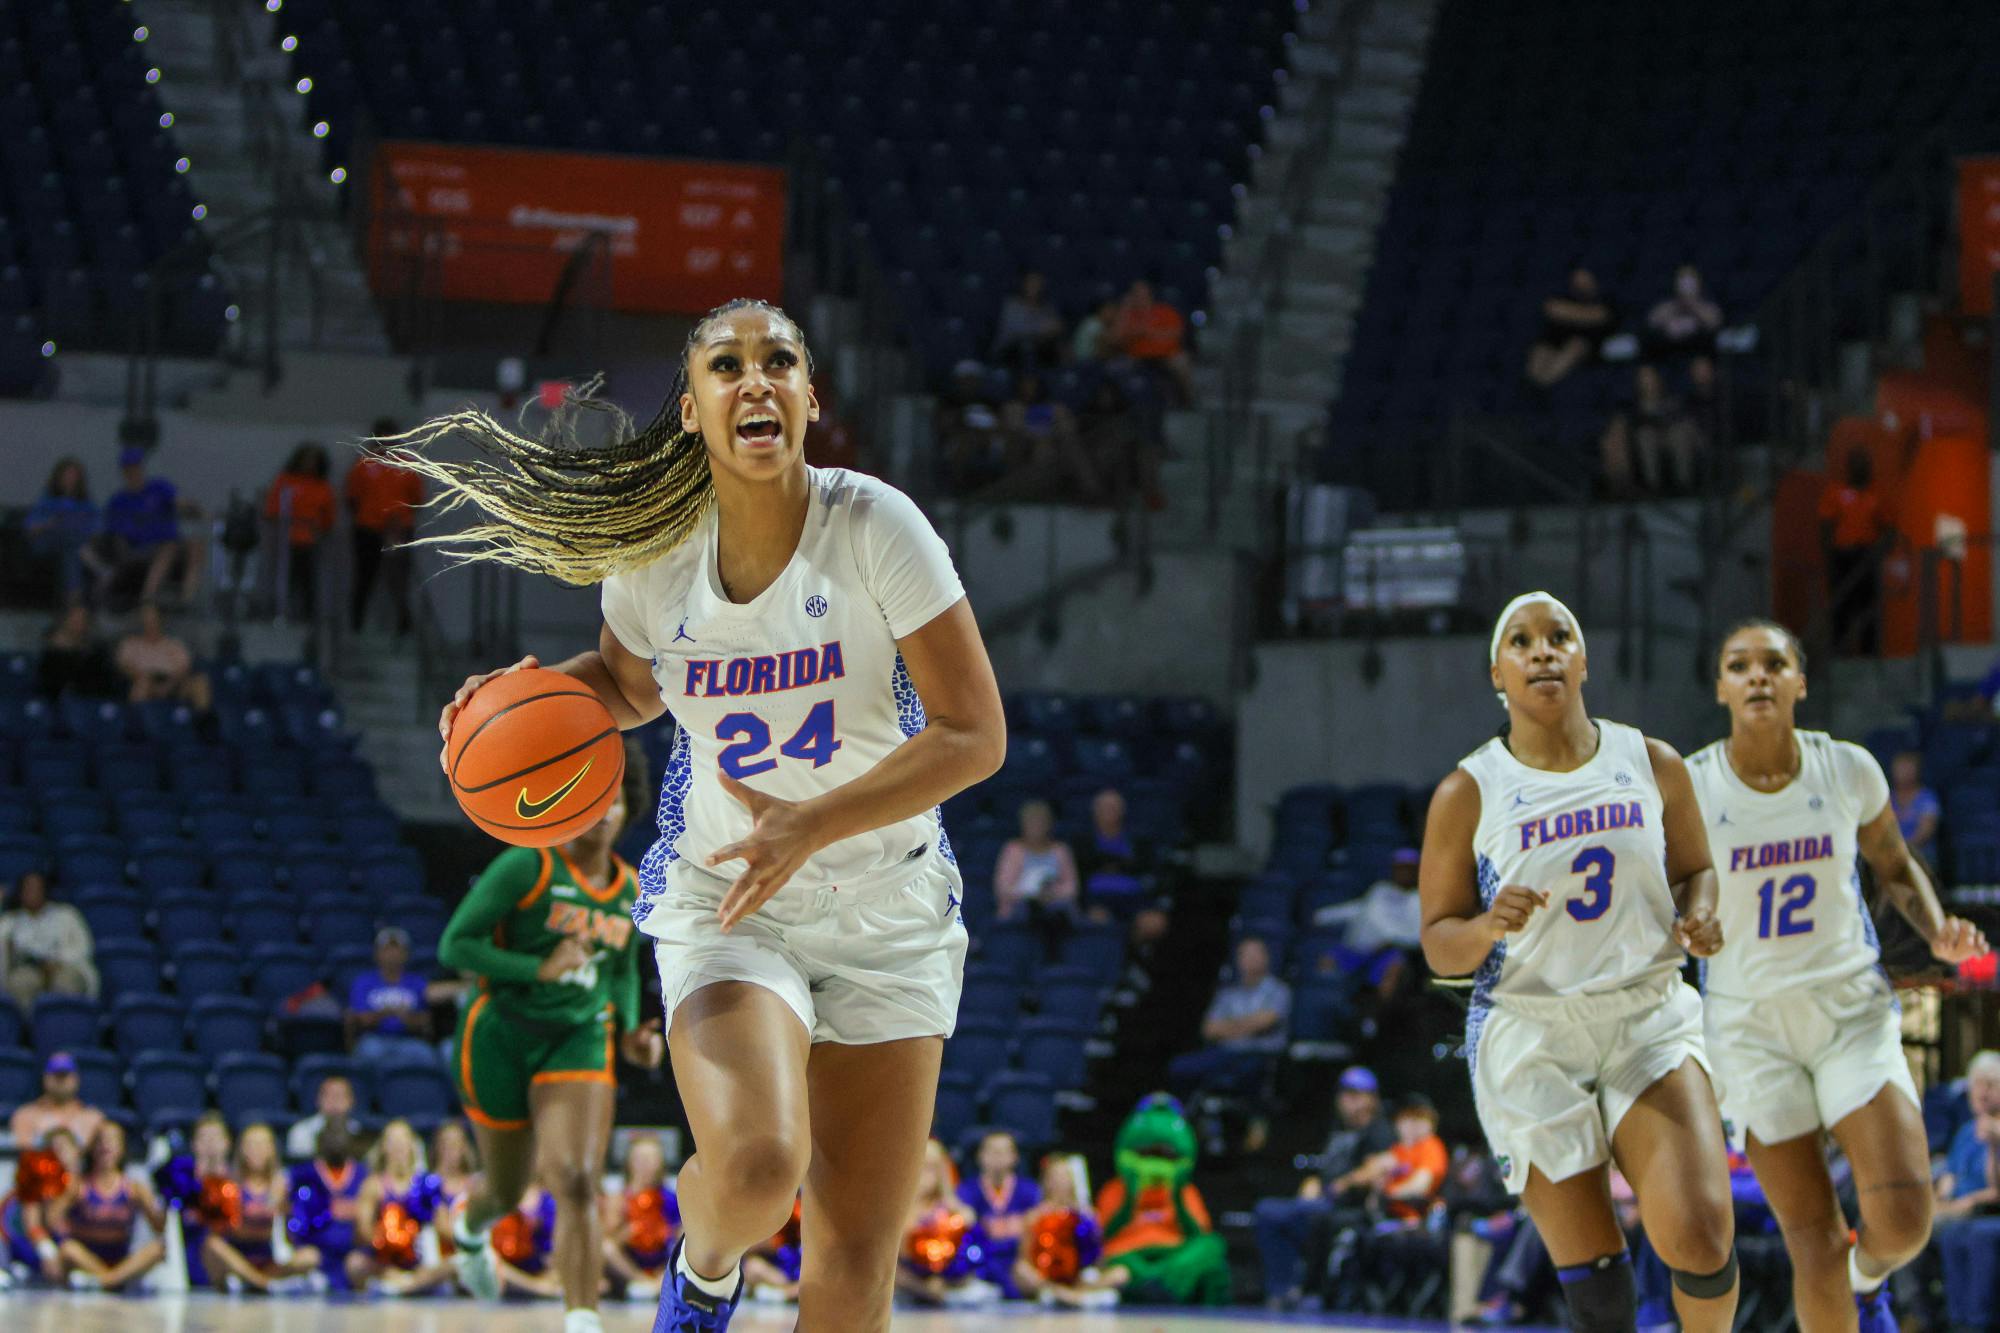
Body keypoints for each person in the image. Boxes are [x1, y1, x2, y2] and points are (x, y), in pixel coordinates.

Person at [402, 296, 1006, 1332]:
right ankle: (706, 1267)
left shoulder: (874, 524)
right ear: (692, 411)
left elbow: (971, 736)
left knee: (854, 1265)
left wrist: (812, 822)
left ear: (810, 398)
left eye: (778, 361)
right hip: (733, 900)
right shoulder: (655, 561)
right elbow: (631, 687)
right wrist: (505, 710)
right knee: (764, 1164)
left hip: (889, 907)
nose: (755, 379)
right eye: (726, 366)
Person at [1418, 591, 1740, 1333]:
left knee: (1699, 1233)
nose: (1542, 651)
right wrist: (1487, 927)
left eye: (1559, 636)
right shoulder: (1468, 791)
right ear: (1497, 673)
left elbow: (1699, 867)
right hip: (1531, 1030)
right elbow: (1438, 941)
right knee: (1600, 1295)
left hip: (1644, 1013)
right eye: (1522, 641)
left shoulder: (1649, 759)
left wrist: (1703, 911)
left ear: (1583, 659)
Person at [1688, 620, 1989, 1331]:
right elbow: (1673, 882)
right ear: (1720, 687)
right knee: (1812, 1238)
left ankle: (1867, 1279)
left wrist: (1936, 923)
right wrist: (1689, 918)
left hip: (1848, 1007)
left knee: (1907, 1216)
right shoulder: (1692, 783)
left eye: (1774, 662)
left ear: (1800, 681)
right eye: (1740, 664)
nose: (1757, 675)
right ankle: (1839, 1285)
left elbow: (1892, 861)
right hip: (1749, 1025)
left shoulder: (1847, 767)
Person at [434, 763, 662, 1331]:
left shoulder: (630, 887)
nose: (605, 815)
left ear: (627, 813)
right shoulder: (527, 864)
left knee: (578, 1177)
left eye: (615, 804)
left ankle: (582, 1318)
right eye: (594, 801)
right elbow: (455, 945)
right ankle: (470, 1228)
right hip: (501, 1035)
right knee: (508, 1191)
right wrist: (538, 967)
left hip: (578, 1038)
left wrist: (630, 1028)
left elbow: (622, 971)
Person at [1253, 1064, 1397, 1310]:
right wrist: (1314, 1182)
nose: (1348, 1101)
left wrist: (1341, 1185)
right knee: (1266, 1210)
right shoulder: (1338, 1129)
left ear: (1371, 1099)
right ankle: (1282, 1288)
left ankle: (1310, 1289)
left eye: (1356, 1095)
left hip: (1351, 1207)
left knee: (1312, 1216)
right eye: (1345, 1094)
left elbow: (1379, 1167)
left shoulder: (1379, 1130)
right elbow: (1326, 1170)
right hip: (1323, 1201)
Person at [203, 1121, 324, 1294]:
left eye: (262, 1144)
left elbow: (289, 1238)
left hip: (267, 1261)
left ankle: (256, 1282)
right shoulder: (230, 1183)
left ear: (272, 1149)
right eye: (251, 1145)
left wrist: (286, 1210)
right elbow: (227, 1231)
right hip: (236, 1259)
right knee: (212, 1245)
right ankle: (263, 1284)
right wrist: (261, 1224)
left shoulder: (281, 1184)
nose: (256, 1150)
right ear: (241, 1150)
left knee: (311, 1256)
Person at [1166, 936, 1290, 1102]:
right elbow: (1208, 1030)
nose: (1251, 959)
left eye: (1256, 954)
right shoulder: (1228, 994)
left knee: (1250, 1072)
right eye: (1246, 954)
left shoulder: (1279, 990)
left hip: (1260, 1056)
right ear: (1238, 960)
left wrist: (1228, 1027)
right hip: (1225, 1053)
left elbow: (1265, 1022)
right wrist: (1248, 1024)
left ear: (1266, 958)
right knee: (1179, 1067)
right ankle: (1185, 1119)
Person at [50, 1121, 167, 1291]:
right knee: (69, 1249)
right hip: (86, 1256)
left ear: (122, 1148)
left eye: (113, 1141)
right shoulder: (79, 1185)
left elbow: (158, 1227)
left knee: (157, 1249)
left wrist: (162, 1199)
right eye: (102, 1141)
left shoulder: (133, 1187)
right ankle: (113, 1280)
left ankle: (104, 1281)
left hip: (119, 1257)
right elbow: (52, 1221)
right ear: (93, 1148)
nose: (106, 1146)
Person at [345, 1119, 455, 1296]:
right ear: (383, 1148)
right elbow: (362, 1230)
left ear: (412, 1146)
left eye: (403, 1141)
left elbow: (442, 1226)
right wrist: (385, 1239)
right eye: (393, 1141)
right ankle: (406, 1283)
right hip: (383, 1262)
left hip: (419, 1262)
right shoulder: (373, 1185)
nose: (398, 1147)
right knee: (355, 1263)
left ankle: (405, 1285)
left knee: (456, 1263)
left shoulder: (427, 1184)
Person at [1312, 847, 1425, 1011]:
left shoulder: (1419, 899)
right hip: (1358, 949)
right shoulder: (1380, 890)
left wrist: (1390, 940)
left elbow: (1417, 938)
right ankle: (1323, 1013)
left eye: (1408, 868)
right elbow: (1357, 909)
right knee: (1326, 961)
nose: (1403, 872)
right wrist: (1323, 916)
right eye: (1400, 868)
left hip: (1389, 951)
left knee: (1393, 971)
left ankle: (1376, 1019)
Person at [93, 446, 204, 608]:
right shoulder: (119, 500)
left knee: (195, 544)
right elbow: (112, 532)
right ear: (124, 472)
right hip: (140, 549)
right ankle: (148, 597)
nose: (134, 472)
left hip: (169, 544)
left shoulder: (158, 487)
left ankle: (187, 597)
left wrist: (192, 507)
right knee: (169, 547)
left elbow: (179, 501)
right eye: (129, 469)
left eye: (137, 467)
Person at [1935, 1056, 2000, 1333]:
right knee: (1942, 1235)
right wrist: (1942, 1199)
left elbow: (1996, 1190)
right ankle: (1941, 1321)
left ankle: (1976, 1324)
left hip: (1988, 1212)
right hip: (1960, 1214)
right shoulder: (1965, 1132)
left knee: (1976, 1237)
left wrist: (1995, 1145)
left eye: (1991, 1085)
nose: (1982, 1092)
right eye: (1977, 1085)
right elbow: (1949, 1176)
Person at [893, 1139, 993, 1307]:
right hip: (908, 1278)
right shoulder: (899, 1206)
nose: (924, 1175)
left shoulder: (951, 1205)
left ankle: (943, 1290)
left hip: (946, 1275)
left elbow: (971, 1231)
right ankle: (929, 1292)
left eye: (931, 1168)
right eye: (920, 1167)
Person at [1010, 1153, 1118, 1308]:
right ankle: (1061, 1294)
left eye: (1065, 1176)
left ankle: (1075, 1295)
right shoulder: (1034, 1216)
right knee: (1020, 1270)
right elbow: (1024, 1258)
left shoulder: (1087, 1214)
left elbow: (1099, 1258)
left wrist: (1091, 1225)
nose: (1060, 1181)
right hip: (1046, 1277)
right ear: (1046, 1181)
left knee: (1119, 1273)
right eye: (1055, 1176)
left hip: (1079, 1277)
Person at [346, 419, 423, 635]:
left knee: (398, 578)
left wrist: (399, 522)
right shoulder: (364, 464)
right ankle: (356, 624)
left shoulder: (407, 464)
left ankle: (403, 625)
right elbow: (352, 497)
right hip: (368, 527)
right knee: (365, 577)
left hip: (399, 529)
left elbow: (416, 499)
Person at [1819, 449, 1890, 656]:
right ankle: (1840, 654)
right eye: (1857, 464)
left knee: (1868, 609)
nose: (1861, 469)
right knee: (1842, 608)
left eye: (1864, 464)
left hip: (1866, 558)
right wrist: (1830, 556)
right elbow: (1826, 525)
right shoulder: (1836, 493)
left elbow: (1888, 528)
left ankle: (1870, 654)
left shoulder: (1876, 495)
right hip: (1843, 558)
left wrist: (1879, 553)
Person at [956, 1130, 1039, 1297]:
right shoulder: (967, 1190)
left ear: (1015, 1157)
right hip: (982, 1258)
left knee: (1028, 1278)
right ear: (980, 1156)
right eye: (992, 1151)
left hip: (1016, 1258)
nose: (997, 1157)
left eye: (1003, 1152)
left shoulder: (1030, 1191)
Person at [0, 871, 97, 1012]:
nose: (32, 892)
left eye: (36, 888)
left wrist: (56, 962)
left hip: (63, 967)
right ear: (20, 893)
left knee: (66, 982)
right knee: (20, 983)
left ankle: (63, 1029)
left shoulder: (67, 915)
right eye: (28, 888)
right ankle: (28, 1031)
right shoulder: (10, 921)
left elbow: (84, 948)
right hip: (27, 969)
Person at [287, 1122, 368, 1288]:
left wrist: (358, 1210)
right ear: (319, 1141)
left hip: (352, 1251)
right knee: (304, 1259)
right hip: (316, 1249)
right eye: (330, 1137)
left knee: (358, 1264)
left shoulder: (365, 1174)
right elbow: (288, 1207)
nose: (336, 1142)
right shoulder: (302, 1174)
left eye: (341, 1136)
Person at [264, 443, 336, 622]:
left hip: (310, 541)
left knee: (308, 581)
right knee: (285, 579)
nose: (309, 464)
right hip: (286, 541)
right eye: (306, 459)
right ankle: (280, 613)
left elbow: (328, 519)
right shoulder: (286, 481)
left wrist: (317, 529)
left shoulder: (322, 487)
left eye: (314, 461)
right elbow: (272, 510)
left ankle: (308, 618)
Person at [344, 926, 436, 1066]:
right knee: (370, 1051)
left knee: (425, 1053)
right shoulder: (364, 982)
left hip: (408, 1040)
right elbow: (361, 1019)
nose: (392, 954)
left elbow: (426, 1020)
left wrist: (407, 1018)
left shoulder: (417, 982)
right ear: (377, 954)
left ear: (406, 954)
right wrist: (390, 1012)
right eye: (387, 949)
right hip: (374, 1039)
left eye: (397, 949)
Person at [603, 1134, 679, 1301]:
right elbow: (609, 1240)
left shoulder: (671, 1198)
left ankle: (662, 1282)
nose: (646, 1164)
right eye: (640, 1158)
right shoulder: (620, 1199)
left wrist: (665, 1232)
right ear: (629, 1162)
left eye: (651, 1158)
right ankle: (643, 1283)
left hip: (662, 1260)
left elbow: (680, 1236)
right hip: (632, 1261)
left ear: (661, 1163)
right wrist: (627, 1233)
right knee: (606, 1248)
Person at [23, 457, 103, 607]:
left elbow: (97, 528)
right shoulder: (48, 499)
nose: (70, 479)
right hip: (46, 544)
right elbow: (30, 528)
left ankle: (73, 603)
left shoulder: (85, 503)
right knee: (72, 541)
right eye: (67, 475)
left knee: (72, 551)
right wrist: (51, 522)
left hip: (72, 546)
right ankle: (100, 571)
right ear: (59, 477)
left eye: (74, 476)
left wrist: (79, 525)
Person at [993, 799, 1080, 935]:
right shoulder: (1013, 849)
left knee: (1058, 913)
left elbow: (1072, 887)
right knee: (1027, 910)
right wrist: (1032, 895)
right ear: (1023, 824)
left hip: (1054, 906)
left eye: (1040, 822)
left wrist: (1052, 895)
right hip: (1021, 908)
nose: (1036, 827)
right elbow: (1003, 888)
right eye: (1032, 822)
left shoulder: (1060, 850)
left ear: (1049, 824)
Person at [1526, 268, 1615, 388]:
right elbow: (1552, 308)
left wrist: (1570, 313)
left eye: (1585, 279)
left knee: (1577, 345)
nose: (1581, 282)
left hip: (1591, 347)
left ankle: (1545, 383)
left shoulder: (1606, 299)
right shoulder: (1563, 294)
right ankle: (1533, 384)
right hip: (1557, 341)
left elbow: (1600, 316)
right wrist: (1583, 315)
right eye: (1578, 279)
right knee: (1542, 348)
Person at [113, 603, 212, 711]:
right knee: (143, 684)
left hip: (172, 682)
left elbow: (183, 669)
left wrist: (168, 685)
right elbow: (124, 666)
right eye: (145, 618)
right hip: (143, 680)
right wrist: (145, 678)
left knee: (200, 682)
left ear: (161, 620)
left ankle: (202, 721)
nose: (149, 623)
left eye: (153, 618)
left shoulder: (174, 644)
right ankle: (137, 721)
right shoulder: (130, 643)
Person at [1076, 787, 1155, 921]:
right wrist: (1123, 863)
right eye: (1104, 807)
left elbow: (1145, 867)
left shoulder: (1139, 840)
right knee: (1097, 919)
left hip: (1134, 897)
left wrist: (1105, 862)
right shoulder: (1081, 840)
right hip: (1096, 897)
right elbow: (1082, 868)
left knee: (1154, 922)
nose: (1109, 811)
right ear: (1095, 811)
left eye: (1113, 807)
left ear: (1123, 810)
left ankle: (1136, 942)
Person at [1111, 278, 1193, 404]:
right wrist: (1125, 309)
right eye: (1136, 293)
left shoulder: (1165, 311)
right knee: (1115, 368)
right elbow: (1116, 338)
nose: (1139, 296)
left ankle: (1188, 402)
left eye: (1142, 292)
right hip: (1135, 356)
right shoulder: (1127, 314)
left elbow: (1176, 334)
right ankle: (1122, 408)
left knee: (1182, 362)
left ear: (1150, 294)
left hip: (1166, 355)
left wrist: (1145, 333)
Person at [1372, 1093, 1449, 1224]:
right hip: (1389, 1217)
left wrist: (1389, 1193)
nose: (1414, 1124)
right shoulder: (1397, 1150)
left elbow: (1420, 1185)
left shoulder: (1431, 1145)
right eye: (1408, 1117)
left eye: (1420, 1118)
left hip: (1418, 1219)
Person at [7, 1051, 104, 1148]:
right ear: (45, 1078)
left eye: (65, 1075)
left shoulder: (92, 1119)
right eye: (56, 1075)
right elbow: (23, 1156)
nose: (61, 1081)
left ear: (76, 1079)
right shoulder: (26, 1116)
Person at [1643, 263, 1723, 379]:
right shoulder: (1667, 307)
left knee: (1702, 366)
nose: (1686, 285)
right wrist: (1677, 305)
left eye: (1690, 281)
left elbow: (1714, 322)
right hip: (1669, 360)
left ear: (1698, 283)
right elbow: (1652, 321)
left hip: (1698, 356)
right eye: (1682, 280)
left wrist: (1692, 303)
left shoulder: (1707, 307)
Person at [36, 605, 119, 699]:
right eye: (76, 619)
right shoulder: (49, 652)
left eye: (84, 619)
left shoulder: (95, 653)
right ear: (66, 620)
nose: (80, 623)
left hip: (87, 699)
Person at [990, 271, 1066, 373]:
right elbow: (1017, 330)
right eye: (1031, 283)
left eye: (1037, 284)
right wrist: (1043, 330)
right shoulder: (1011, 305)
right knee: (1026, 347)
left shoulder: (1047, 308)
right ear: (1023, 285)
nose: (1034, 287)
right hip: (1009, 352)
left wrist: (1046, 331)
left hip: (1039, 351)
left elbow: (1057, 327)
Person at [286, 1075, 364, 1161]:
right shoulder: (301, 1131)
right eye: (329, 1095)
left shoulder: (360, 1132)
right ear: (318, 1100)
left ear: (351, 1101)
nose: (335, 1101)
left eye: (340, 1096)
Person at [1888, 751, 1941, 866]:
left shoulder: (1926, 797)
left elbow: (1926, 831)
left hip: (1919, 853)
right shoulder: (1887, 798)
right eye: (1901, 768)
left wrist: (1904, 849)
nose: (1905, 773)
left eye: (1909, 768)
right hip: (1891, 853)